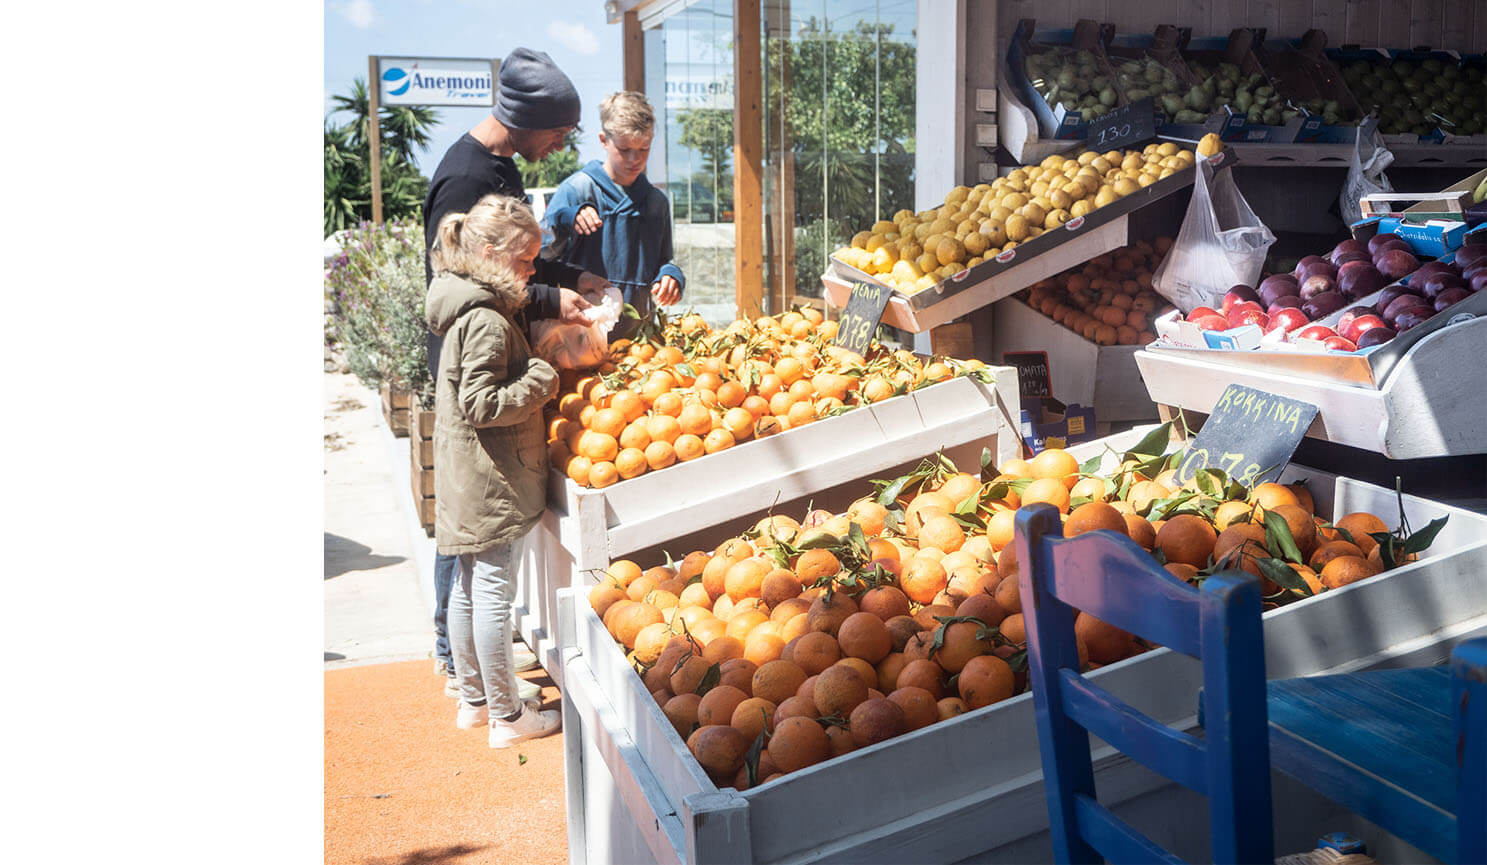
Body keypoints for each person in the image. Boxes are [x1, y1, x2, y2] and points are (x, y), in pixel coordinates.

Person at [423, 47, 610, 695]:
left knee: (476, 543)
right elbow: (472, 282)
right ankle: (461, 665)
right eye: (558, 131)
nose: (561, 143)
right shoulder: (465, 178)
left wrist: (568, 275)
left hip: (496, 363)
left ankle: (475, 669)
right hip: (482, 371)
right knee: (470, 538)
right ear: (525, 119)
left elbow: (516, 256)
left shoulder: (498, 166)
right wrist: (549, 299)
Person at [425, 194, 562, 748]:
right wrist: (540, 377)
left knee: (466, 585)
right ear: (488, 252)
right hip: (490, 476)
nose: (532, 270)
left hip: (467, 471)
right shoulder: (483, 317)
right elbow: (482, 403)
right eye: (525, 260)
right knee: (491, 590)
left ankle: (476, 700)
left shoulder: (463, 304)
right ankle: (507, 716)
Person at [542, 90, 684, 343]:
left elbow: (663, 260)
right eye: (624, 148)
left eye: (644, 148)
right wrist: (567, 218)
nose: (635, 159)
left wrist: (671, 276)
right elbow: (541, 256)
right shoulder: (576, 190)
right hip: (579, 336)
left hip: (638, 340)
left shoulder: (656, 203)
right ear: (603, 140)